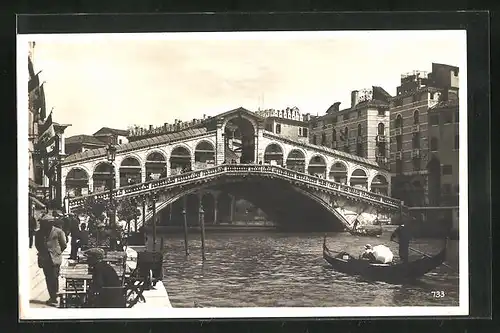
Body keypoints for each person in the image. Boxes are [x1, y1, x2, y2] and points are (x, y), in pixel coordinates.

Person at [35, 217, 67, 306]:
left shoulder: (58, 232)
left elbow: (64, 244)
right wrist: (43, 253)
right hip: (45, 259)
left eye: (44, 223)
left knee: (54, 277)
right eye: (42, 224)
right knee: (48, 278)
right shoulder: (39, 233)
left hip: (55, 259)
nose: (42, 225)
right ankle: (52, 296)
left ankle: (54, 296)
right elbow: (37, 245)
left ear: (50, 223)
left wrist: (57, 252)